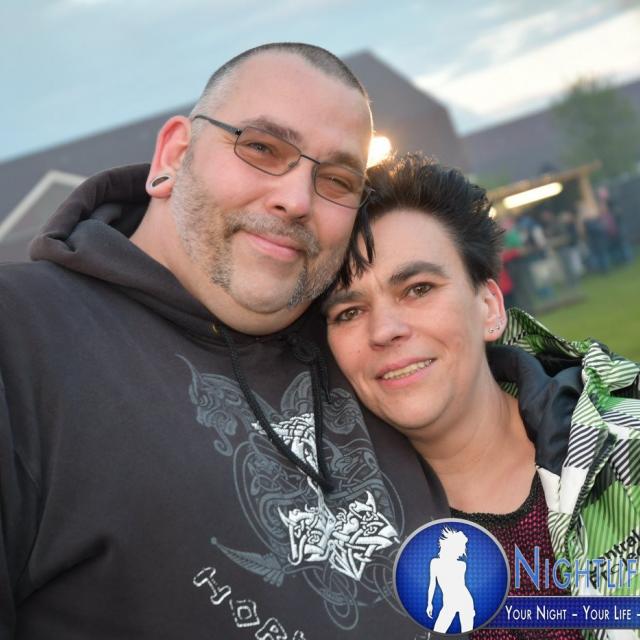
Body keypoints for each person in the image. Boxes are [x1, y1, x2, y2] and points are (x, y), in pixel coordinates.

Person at [0, 45, 447, 639]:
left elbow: (508, 423)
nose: (297, 200)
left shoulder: (360, 338)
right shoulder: (21, 335)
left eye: (338, 180)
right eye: (261, 148)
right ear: (173, 155)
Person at [325, 154, 640, 640]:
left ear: (489, 307)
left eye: (418, 288)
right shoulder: (333, 546)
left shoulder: (627, 447)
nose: (384, 329)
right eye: (348, 312)